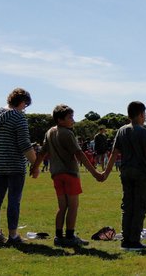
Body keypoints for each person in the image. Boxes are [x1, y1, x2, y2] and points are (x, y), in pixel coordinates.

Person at [31, 104, 104, 247]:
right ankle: (70, 236)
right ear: (60, 120)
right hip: (70, 173)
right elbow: (79, 154)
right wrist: (95, 173)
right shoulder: (67, 133)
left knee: (62, 207)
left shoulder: (49, 132)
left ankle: (58, 237)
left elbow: (42, 152)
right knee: (73, 206)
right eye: (70, 117)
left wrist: (35, 168)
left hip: (56, 174)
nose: (73, 120)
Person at [102, 101, 146, 251]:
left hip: (125, 171)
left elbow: (114, 153)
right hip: (141, 172)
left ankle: (126, 239)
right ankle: (134, 240)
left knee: (127, 205)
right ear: (141, 114)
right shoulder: (143, 131)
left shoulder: (121, 130)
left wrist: (105, 173)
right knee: (140, 206)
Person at [0, 88, 38, 245]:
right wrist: (35, 164)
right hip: (15, 164)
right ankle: (13, 235)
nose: (25, 109)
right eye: (25, 106)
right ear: (22, 102)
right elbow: (25, 145)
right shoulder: (18, 117)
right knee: (14, 200)